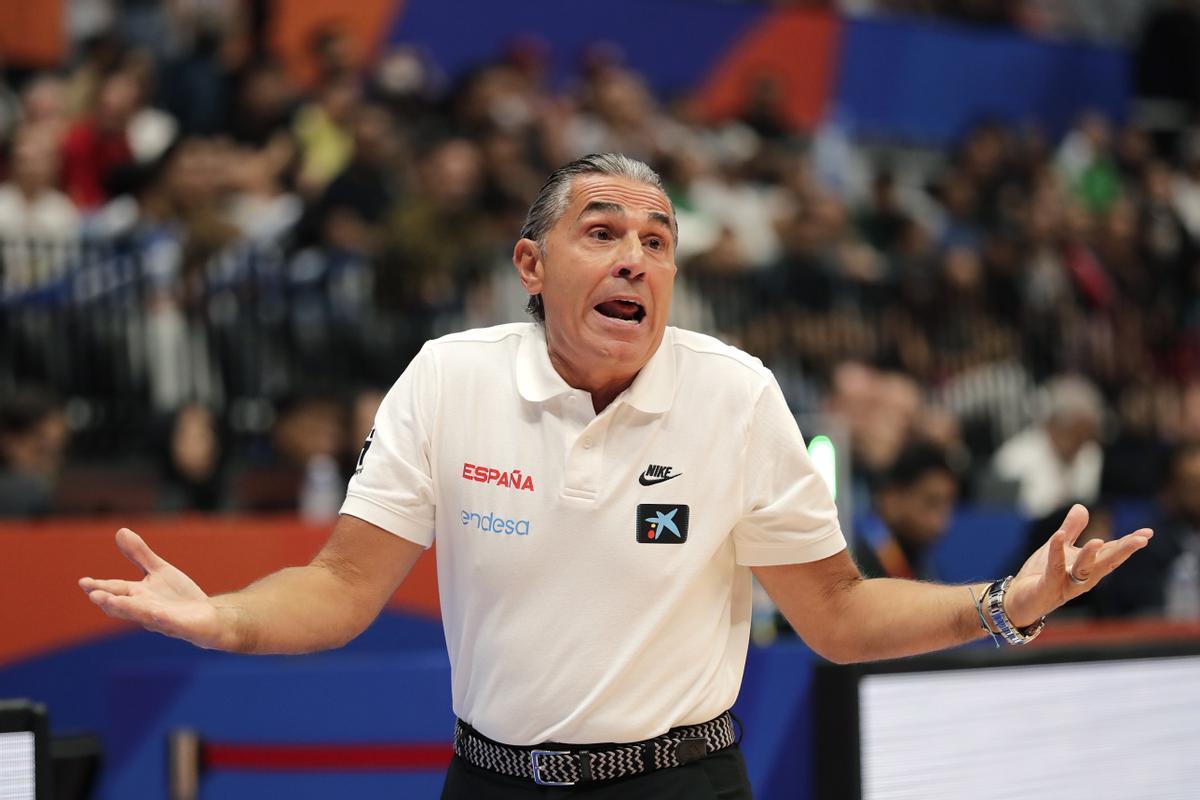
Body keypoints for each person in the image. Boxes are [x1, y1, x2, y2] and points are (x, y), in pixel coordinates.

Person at [81, 154, 1153, 798]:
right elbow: (339, 586)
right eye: (602, 233)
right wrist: (223, 616)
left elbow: (836, 611)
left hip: (680, 782)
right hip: (491, 780)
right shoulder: (449, 380)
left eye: (659, 239)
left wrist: (1009, 603)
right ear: (532, 267)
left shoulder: (733, 394)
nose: (637, 256)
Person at [854, 444, 958, 581]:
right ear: (892, 498)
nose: (941, 523)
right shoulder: (859, 563)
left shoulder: (924, 564)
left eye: (947, 505)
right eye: (930, 503)